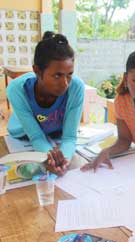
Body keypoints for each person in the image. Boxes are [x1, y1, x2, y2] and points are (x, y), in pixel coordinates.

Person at [7, 31, 84, 176]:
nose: (65, 83)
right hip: (24, 135)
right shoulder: (17, 89)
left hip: (55, 134)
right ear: (37, 71)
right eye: (57, 75)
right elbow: (36, 137)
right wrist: (50, 159)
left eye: (69, 74)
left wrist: (63, 161)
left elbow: (69, 137)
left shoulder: (76, 87)